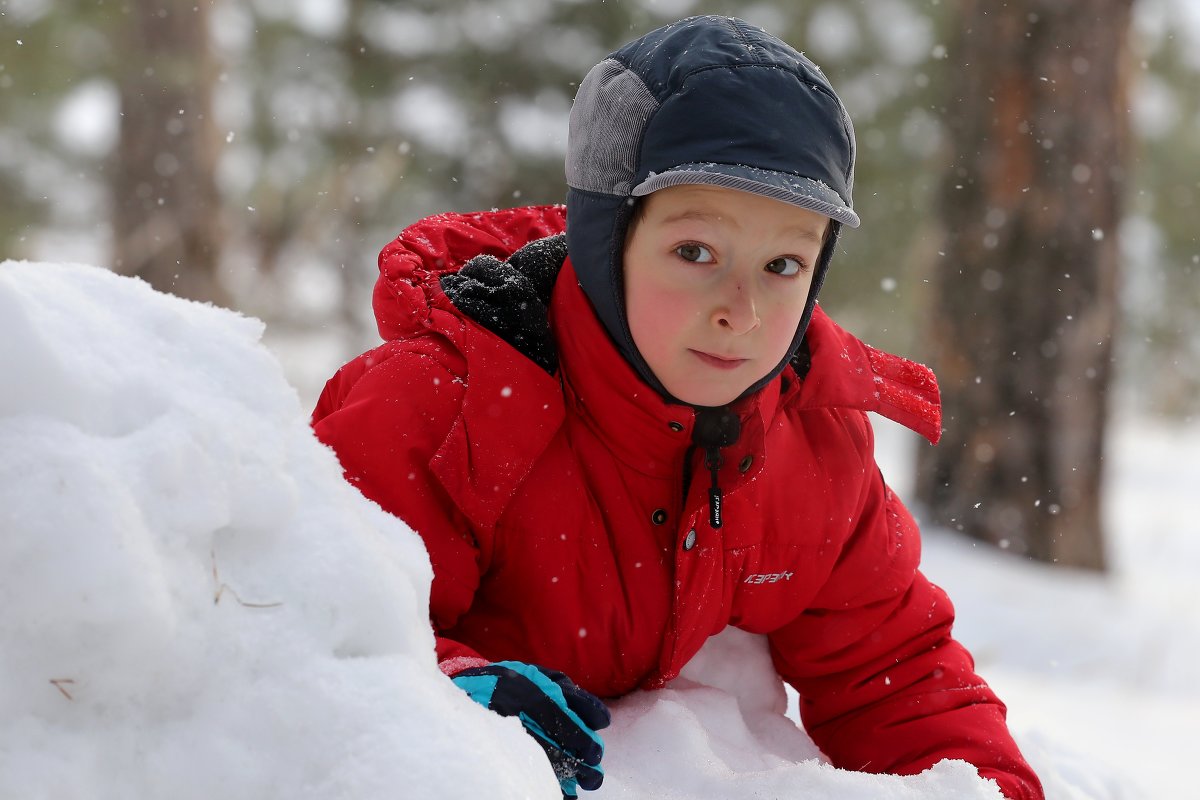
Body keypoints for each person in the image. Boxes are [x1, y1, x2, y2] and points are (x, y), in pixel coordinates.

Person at [312, 15, 1044, 800]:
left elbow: (892, 671)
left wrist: (987, 788)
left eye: (783, 264)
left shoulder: (810, 434)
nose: (744, 311)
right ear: (606, 237)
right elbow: (314, 617)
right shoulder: (446, 402)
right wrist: (448, 694)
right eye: (696, 253)